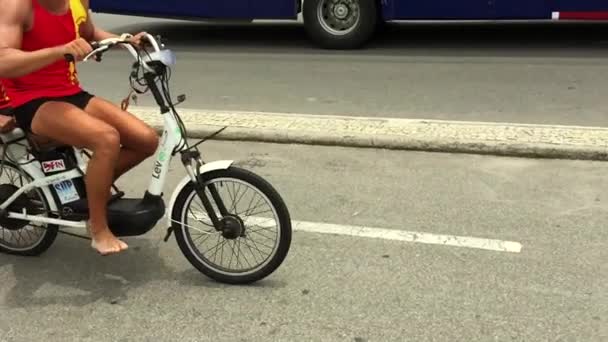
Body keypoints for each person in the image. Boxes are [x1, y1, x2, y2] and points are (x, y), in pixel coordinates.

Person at [0, 0, 160, 255]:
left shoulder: (77, 2)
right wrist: (58, 51)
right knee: (106, 139)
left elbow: (89, 34)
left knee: (146, 139)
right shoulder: (17, 5)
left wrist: (126, 41)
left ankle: (91, 191)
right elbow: (3, 59)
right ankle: (98, 229)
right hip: (30, 100)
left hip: (70, 91)